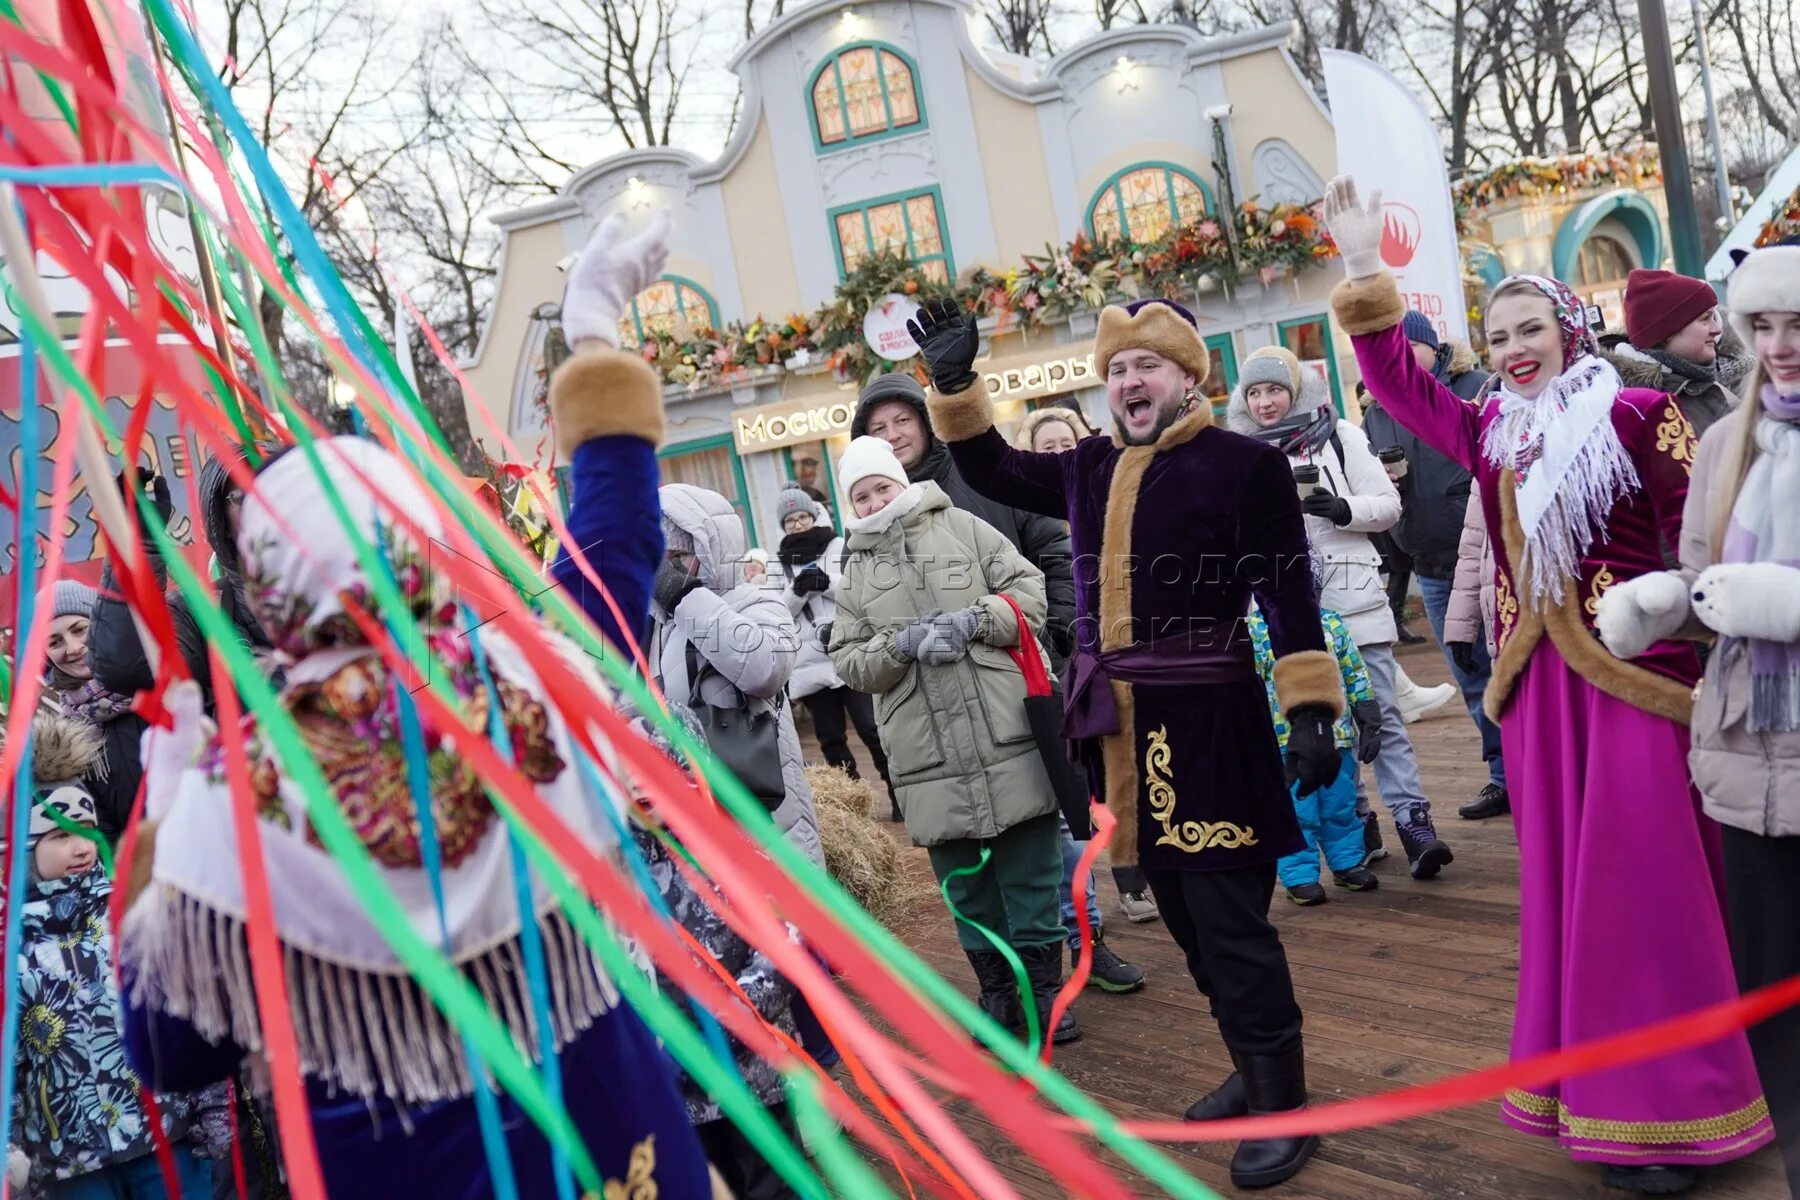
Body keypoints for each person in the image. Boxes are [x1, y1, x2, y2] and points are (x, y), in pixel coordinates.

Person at [118, 217, 715, 1198]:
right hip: (606, 1145)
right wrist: (595, 324)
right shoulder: (525, 682)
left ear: (263, 585)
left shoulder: (236, 788)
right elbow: (613, 548)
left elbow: (170, 1054)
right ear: (415, 548)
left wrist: (163, 816)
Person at [1325, 175, 1770, 1193]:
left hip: (1637, 687)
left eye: (1529, 327)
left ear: (1570, 329)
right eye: (1496, 337)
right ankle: (1607, 1102)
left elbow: (1703, 537)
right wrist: (1363, 269)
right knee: (1574, 901)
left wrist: (1691, 620)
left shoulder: (1642, 412)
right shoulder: (1494, 433)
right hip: (1539, 704)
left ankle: (1685, 1104)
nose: (1512, 348)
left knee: (1648, 892)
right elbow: (1402, 386)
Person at [910, 293, 1343, 1189]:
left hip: (1213, 726)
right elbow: (989, 466)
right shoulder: (1088, 466)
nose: (1127, 381)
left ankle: (1286, 1100)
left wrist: (1309, 710)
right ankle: (1249, 1065)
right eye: (1115, 370)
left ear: (1189, 376)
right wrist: (953, 384)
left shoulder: (1244, 466)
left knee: (1231, 922)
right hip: (1122, 736)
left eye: (1146, 365)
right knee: (1181, 918)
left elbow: (1289, 594)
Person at [1597, 242, 1800, 1195]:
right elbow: (1702, 569)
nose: (1779, 345)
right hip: (1741, 762)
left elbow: (1757, 593)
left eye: (1797, 324)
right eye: (1762, 326)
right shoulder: (1721, 440)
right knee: (1775, 1001)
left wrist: (1785, 604)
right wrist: (1662, 603)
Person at [826, 435, 1080, 1045]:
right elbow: (848, 660)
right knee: (965, 884)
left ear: (901, 481)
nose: (873, 501)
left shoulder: (961, 524)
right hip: (926, 752)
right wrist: (899, 646)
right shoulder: (853, 573)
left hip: (1006, 731)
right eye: (860, 496)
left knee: (1031, 871)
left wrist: (977, 620)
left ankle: (1043, 996)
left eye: (881, 486)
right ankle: (997, 995)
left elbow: (1029, 590)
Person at [1225, 346, 1455, 881]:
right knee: (1317, 720)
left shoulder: (1337, 434)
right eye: (1254, 392)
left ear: (1296, 389)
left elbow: (1389, 506)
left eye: (1274, 389)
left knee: (1384, 713)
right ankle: (1357, 822)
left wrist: (1341, 507)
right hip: (1285, 610)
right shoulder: (1235, 452)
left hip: (1351, 598)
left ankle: (1413, 821)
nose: (1264, 402)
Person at [12, 711, 227, 1199]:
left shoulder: (129, 913)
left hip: (164, 1135)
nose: (81, 845)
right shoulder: (12, 947)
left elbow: (182, 1004)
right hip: (69, 1162)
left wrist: (212, 1104)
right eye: (60, 835)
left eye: (86, 829)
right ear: (24, 850)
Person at [1010, 413, 1155, 982]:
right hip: (1059, 659)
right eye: (1047, 446)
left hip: (1122, 648)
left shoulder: (1117, 491)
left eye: (1067, 443)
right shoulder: (1031, 509)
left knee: (1130, 765)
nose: (1059, 452)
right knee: (1081, 791)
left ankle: (1139, 873)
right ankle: (1106, 909)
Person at [85, 447, 276, 841]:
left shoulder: (362, 590)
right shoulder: (203, 613)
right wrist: (134, 552)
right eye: (245, 494)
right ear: (220, 520)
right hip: (263, 830)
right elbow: (126, 664)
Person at [1364, 312, 1510, 820]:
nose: (1402, 358)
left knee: (1513, 667)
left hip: (1490, 558)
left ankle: (1536, 769)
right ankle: (1502, 776)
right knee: (1470, 675)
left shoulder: (1475, 389)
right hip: (1429, 564)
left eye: (1410, 346)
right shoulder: (1377, 409)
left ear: (1432, 346)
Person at [653, 483, 824, 870]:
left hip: (763, 814)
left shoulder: (755, 600)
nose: (666, 569)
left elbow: (767, 669)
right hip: (694, 811)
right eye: (656, 557)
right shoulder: (658, 623)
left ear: (712, 549)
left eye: (678, 554)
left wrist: (684, 598)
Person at [852, 373, 1077, 667]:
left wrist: (1053, 637)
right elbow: (859, 625)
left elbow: (1056, 554)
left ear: (925, 420)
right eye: (879, 428)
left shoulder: (985, 475)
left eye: (902, 421)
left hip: (1026, 671)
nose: (893, 435)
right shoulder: (866, 524)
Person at [1248, 607, 1382, 905]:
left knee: (1341, 803)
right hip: (1284, 741)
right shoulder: (1255, 630)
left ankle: (1347, 862)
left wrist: (1367, 710)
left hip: (1336, 735)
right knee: (1298, 810)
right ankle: (1299, 875)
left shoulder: (1331, 622)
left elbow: (1353, 668)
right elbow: (1251, 683)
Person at [772, 487, 892, 812]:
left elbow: (861, 590)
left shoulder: (839, 546)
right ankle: (856, 808)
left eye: (802, 517)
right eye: (791, 520)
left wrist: (827, 582)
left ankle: (898, 795)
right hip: (811, 666)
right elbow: (776, 613)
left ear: (813, 515)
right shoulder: (778, 563)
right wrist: (797, 592)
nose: (798, 524)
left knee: (871, 728)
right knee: (831, 738)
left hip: (851, 652)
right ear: (783, 526)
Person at [1599, 268, 1752, 443]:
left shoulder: (1700, 377)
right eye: (1704, 319)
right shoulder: (1649, 409)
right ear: (1668, 333)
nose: (1717, 329)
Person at [40, 580, 97, 710]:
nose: (74, 648)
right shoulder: (65, 728)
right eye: (54, 642)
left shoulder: (151, 678)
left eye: (80, 630)